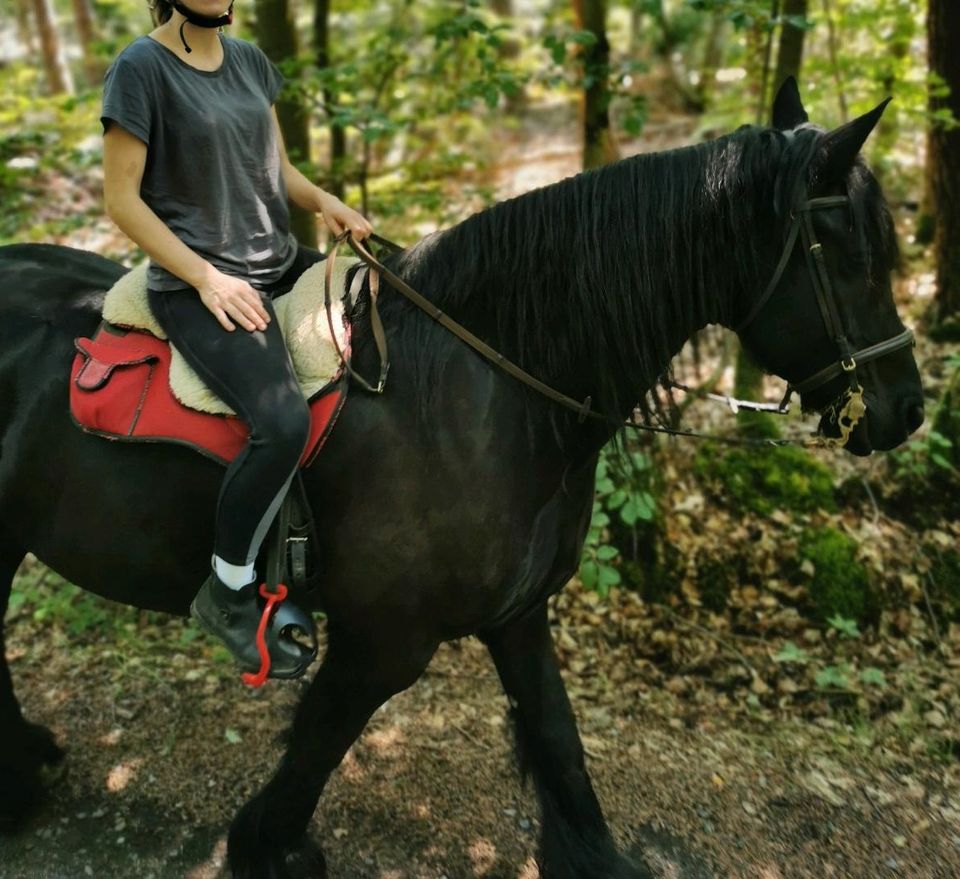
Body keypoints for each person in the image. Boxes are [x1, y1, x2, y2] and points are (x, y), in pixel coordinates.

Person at [100, 0, 372, 678]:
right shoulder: (139, 69)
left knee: (386, 322)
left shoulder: (250, 61)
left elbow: (276, 170)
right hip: (196, 285)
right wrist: (205, 279)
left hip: (279, 262)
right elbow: (122, 200)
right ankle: (227, 588)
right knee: (279, 420)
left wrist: (326, 203)